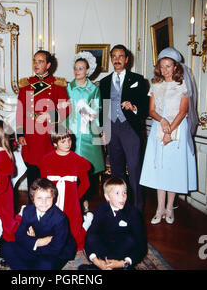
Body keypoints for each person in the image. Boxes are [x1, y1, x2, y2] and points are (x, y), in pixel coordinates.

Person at [140, 47, 198, 224]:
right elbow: (151, 110)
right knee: (160, 168)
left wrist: (170, 130)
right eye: (162, 66)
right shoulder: (155, 85)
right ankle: (159, 208)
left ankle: (169, 208)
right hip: (159, 129)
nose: (165, 70)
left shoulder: (182, 85)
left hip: (177, 130)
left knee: (173, 169)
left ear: (175, 67)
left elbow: (182, 112)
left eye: (168, 66)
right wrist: (163, 121)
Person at [99, 44, 148, 212]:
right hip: (112, 127)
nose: (117, 60)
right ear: (111, 59)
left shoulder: (137, 79)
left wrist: (133, 107)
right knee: (116, 169)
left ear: (127, 59)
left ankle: (137, 208)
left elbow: (145, 106)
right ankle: (117, 206)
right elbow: (103, 107)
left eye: (121, 56)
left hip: (130, 129)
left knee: (134, 169)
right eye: (114, 56)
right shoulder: (104, 82)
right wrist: (102, 131)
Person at [16, 50, 70, 202]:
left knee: (48, 168)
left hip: (48, 133)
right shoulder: (26, 84)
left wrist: (49, 115)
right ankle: (33, 204)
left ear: (48, 65)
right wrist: (20, 134)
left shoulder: (57, 84)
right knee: (32, 169)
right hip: (31, 134)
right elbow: (20, 109)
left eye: (40, 61)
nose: (36, 64)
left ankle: (49, 202)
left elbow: (66, 108)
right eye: (35, 61)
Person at [0, 178, 76, 270]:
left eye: (48, 198)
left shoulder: (60, 218)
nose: (44, 202)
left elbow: (56, 248)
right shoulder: (27, 211)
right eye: (39, 198)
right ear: (33, 199)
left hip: (56, 252)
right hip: (36, 245)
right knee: (6, 248)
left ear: (53, 198)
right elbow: (19, 235)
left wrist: (31, 244)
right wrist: (37, 242)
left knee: (45, 265)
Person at [39, 125, 92, 251]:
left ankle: (86, 222)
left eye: (69, 140)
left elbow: (86, 183)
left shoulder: (78, 160)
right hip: (52, 198)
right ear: (55, 143)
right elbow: (43, 183)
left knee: (73, 224)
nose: (68, 144)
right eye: (63, 141)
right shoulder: (46, 160)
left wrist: (76, 198)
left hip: (71, 199)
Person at [81, 177, 147, 270]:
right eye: (117, 193)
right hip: (104, 249)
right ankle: (101, 266)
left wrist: (122, 263)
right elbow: (91, 234)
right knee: (91, 237)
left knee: (131, 240)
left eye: (124, 192)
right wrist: (96, 260)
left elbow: (141, 244)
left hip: (122, 252)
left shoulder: (133, 213)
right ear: (107, 197)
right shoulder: (101, 209)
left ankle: (118, 267)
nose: (122, 197)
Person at [66, 51, 105, 202]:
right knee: (71, 168)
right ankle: (72, 201)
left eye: (81, 68)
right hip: (71, 131)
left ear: (88, 71)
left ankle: (85, 202)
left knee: (88, 170)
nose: (77, 71)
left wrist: (99, 132)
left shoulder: (94, 89)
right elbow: (63, 110)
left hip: (88, 132)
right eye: (75, 68)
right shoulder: (68, 88)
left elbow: (97, 110)